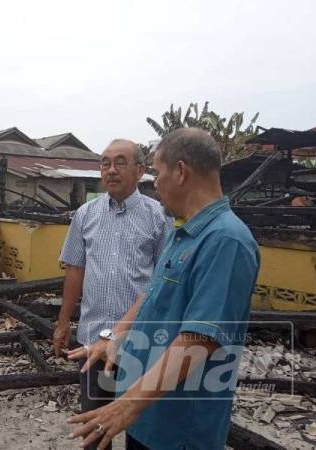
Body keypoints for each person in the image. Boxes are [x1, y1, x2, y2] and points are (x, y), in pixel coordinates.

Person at [68, 128, 260, 450]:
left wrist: (127, 404)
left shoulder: (226, 241)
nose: (154, 183)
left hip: (178, 426)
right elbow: (150, 295)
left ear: (181, 172)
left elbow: (199, 338)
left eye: (157, 172)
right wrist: (114, 337)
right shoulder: (181, 232)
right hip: (147, 415)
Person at [55, 139, 172, 449]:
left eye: (120, 162)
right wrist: (63, 321)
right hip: (94, 343)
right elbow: (75, 269)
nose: (111, 170)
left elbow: (165, 278)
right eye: (105, 163)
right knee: (95, 429)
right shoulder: (85, 214)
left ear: (140, 171)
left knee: (141, 428)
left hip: (140, 344)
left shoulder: (158, 216)